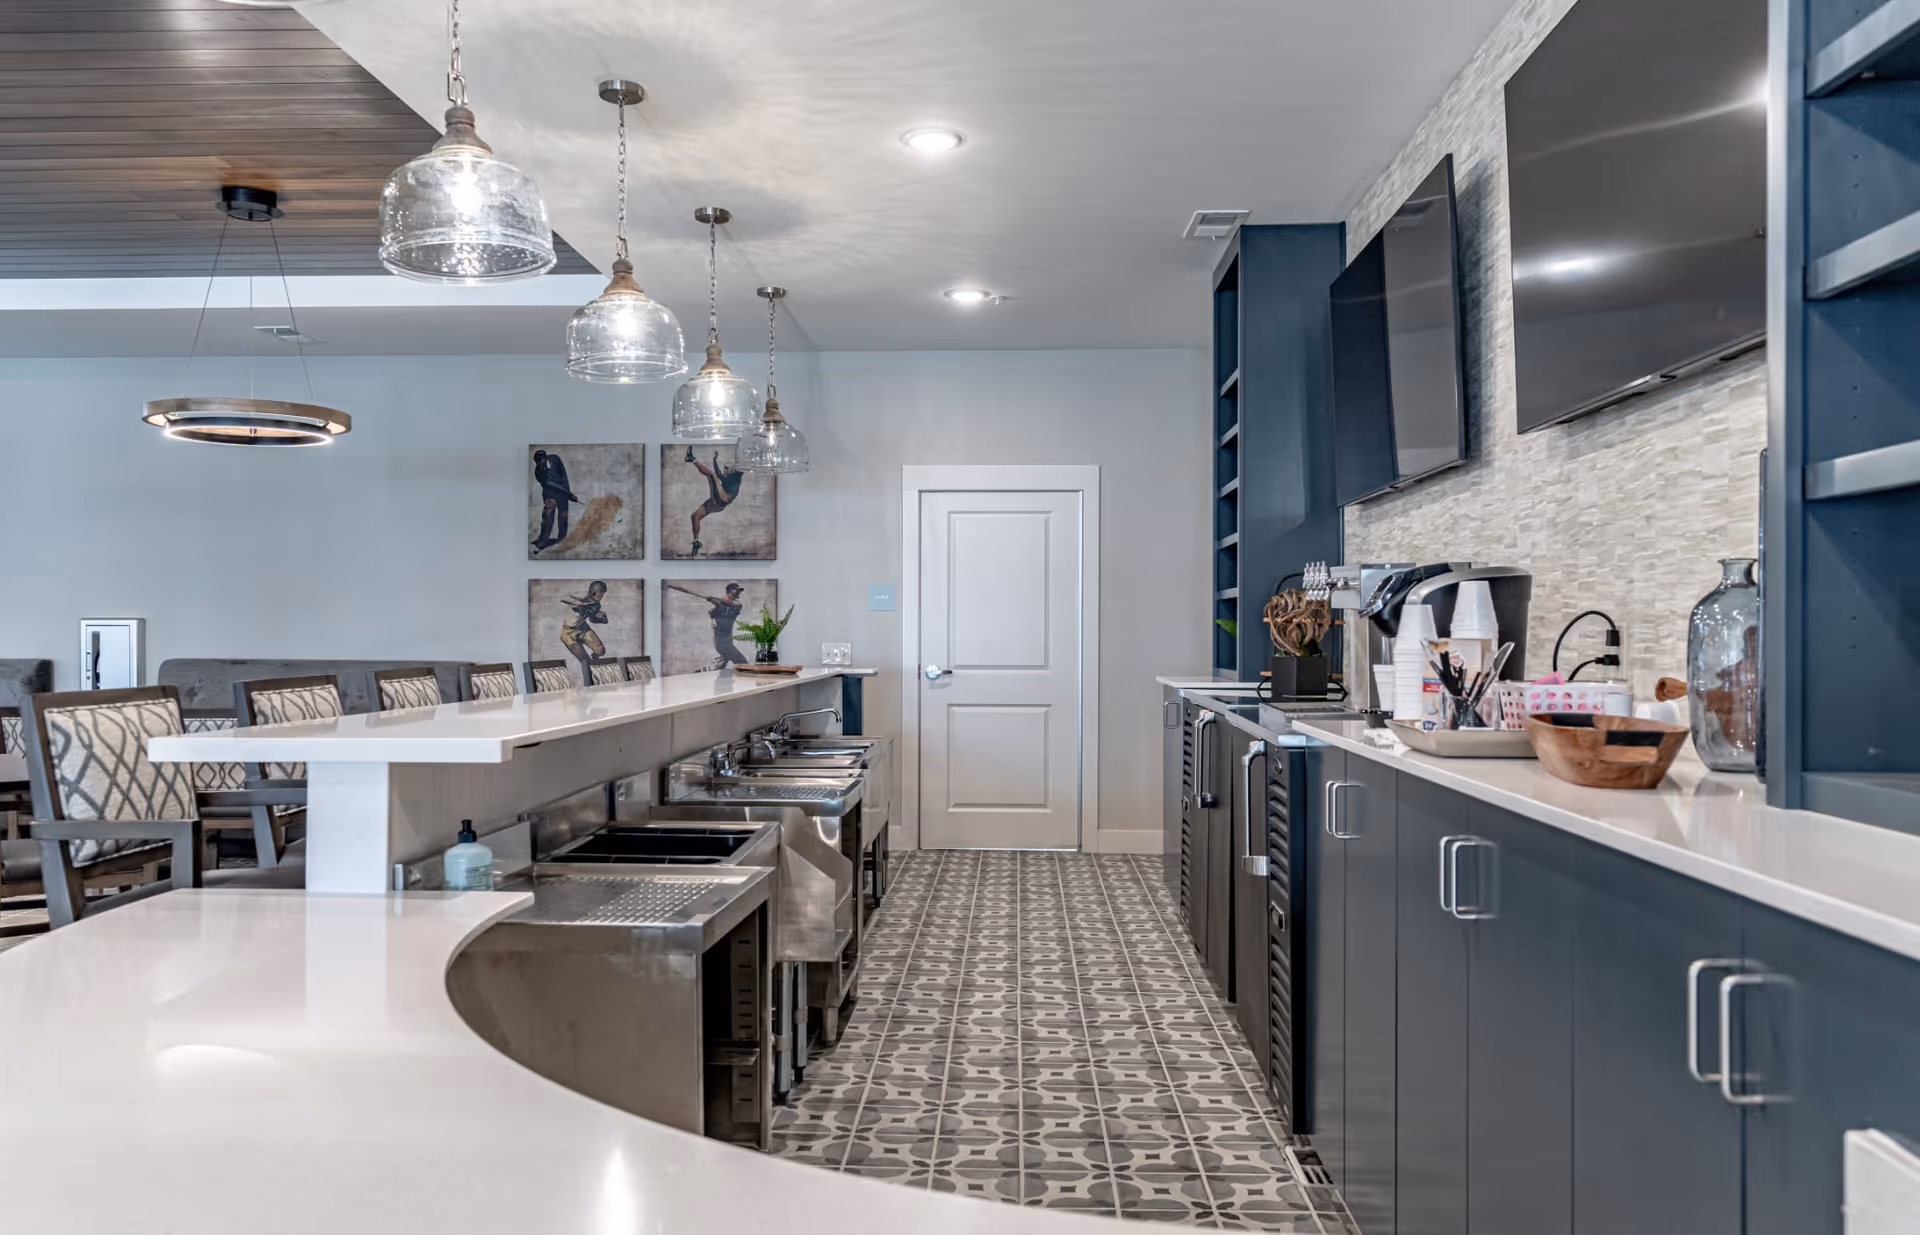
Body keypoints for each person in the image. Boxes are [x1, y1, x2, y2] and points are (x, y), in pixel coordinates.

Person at [667, 581, 747, 668]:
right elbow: (714, 613)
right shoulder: (719, 608)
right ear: (730, 591)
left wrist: (714, 599)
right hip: (722, 643)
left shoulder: (737, 605)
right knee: (742, 662)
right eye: (736, 590)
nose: (739, 592)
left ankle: (707, 673)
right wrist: (714, 602)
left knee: (719, 667)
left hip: (727, 642)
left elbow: (730, 604)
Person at [685, 446, 745, 557]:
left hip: (724, 498)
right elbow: (718, 473)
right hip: (717, 504)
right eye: (725, 469)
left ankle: (692, 459)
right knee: (695, 516)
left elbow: (740, 468)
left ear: (732, 470)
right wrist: (714, 460)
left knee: (711, 476)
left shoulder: (736, 476)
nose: (724, 471)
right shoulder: (725, 479)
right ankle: (696, 543)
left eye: (727, 469)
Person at [532, 449, 583, 552]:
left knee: (563, 516)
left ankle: (562, 540)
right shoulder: (538, 472)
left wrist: (567, 494)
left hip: (563, 493)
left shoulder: (555, 459)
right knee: (548, 517)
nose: (540, 463)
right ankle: (541, 543)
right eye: (537, 462)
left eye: (541, 460)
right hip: (550, 494)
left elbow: (563, 477)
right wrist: (569, 495)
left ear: (545, 458)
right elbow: (551, 485)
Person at [558, 580, 610, 668]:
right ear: (593, 591)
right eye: (599, 593)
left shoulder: (596, 605)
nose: (601, 596)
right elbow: (563, 597)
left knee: (600, 651)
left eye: (602, 594)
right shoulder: (583, 595)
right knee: (585, 661)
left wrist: (602, 619)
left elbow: (592, 619)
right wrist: (581, 603)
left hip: (583, 628)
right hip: (568, 633)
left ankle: (595, 660)